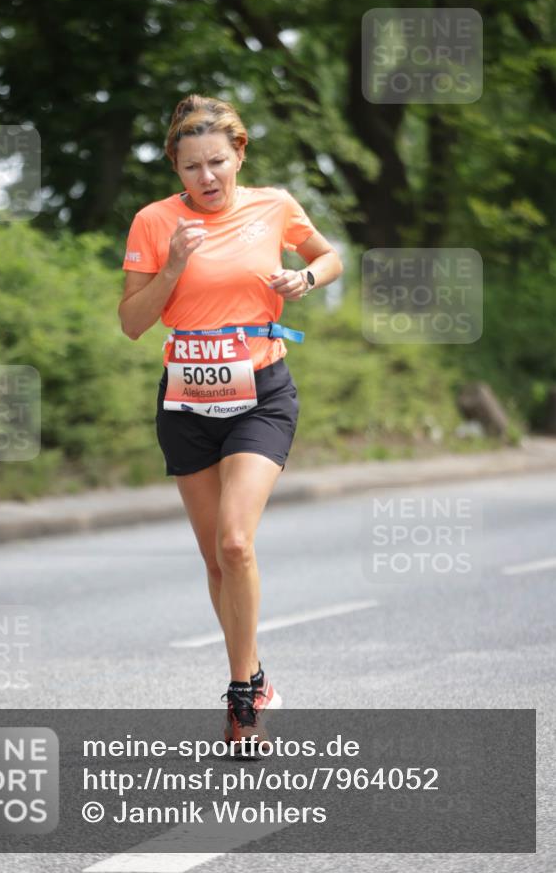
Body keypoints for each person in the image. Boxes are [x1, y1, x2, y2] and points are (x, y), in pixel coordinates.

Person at [119, 94, 343, 752]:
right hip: (186, 403)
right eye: (192, 168)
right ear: (175, 169)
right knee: (215, 561)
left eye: (217, 162)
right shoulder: (153, 223)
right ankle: (256, 672)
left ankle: (241, 698)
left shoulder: (274, 205)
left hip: (260, 394)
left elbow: (328, 256)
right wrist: (177, 265)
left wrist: (306, 278)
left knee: (236, 543)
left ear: (238, 154)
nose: (207, 178)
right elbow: (133, 324)